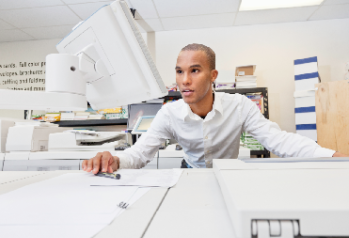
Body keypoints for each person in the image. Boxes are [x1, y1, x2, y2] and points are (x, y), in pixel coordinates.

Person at [82, 43, 348, 174]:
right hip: (191, 176)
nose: (184, 80)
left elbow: (278, 141)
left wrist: (330, 157)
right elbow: (139, 155)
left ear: (213, 76)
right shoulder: (169, 114)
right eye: (179, 71)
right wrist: (115, 160)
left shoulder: (239, 106)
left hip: (230, 173)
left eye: (195, 71)